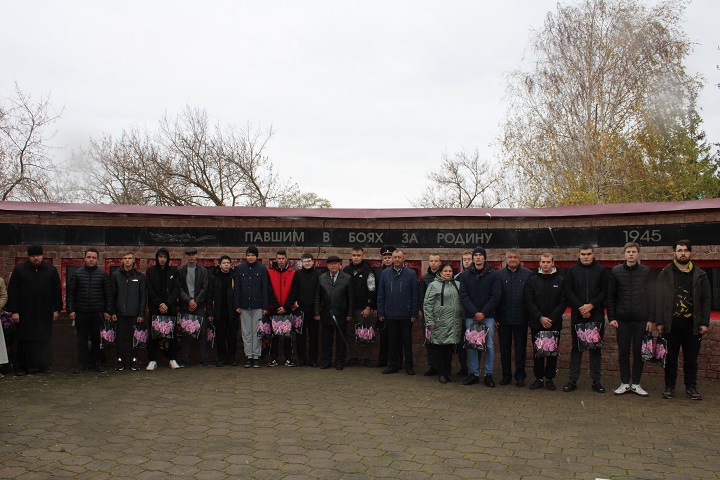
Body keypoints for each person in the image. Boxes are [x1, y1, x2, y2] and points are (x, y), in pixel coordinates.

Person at [656, 240, 711, 400]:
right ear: (674, 253)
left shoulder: (700, 274)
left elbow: (706, 299)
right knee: (670, 357)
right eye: (679, 250)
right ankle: (669, 386)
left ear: (690, 253)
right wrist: (659, 322)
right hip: (671, 322)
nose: (682, 253)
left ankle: (691, 387)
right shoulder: (665, 273)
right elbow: (658, 298)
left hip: (692, 323)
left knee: (691, 357)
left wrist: (704, 322)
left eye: (685, 251)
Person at [607, 242, 655, 396]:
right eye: (628, 251)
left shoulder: (646, 271)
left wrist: (651, 319)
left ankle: (636, 383)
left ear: (638, 254)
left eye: (634, 251)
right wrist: (612, 317)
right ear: (624, 254)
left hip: (641, 319)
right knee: (623, 352)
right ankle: (624, 383)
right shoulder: (616, 271)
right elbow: (611, 296)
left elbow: (652, 297)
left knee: (638, 352)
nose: (631, 254)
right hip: (622, 320)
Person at [6, 245, 62, 375]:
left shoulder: (50, 270)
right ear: (28, 256)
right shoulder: (19, 270)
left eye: (38, 255)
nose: (36, 258)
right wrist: (14, 311)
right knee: (24, 339)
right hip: (25, 312)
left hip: (44, 311)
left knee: (44, 339)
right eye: (33, 256)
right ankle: (22, 366)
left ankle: (44, 365)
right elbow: (13, 291)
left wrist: (56, 309)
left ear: (43, 256)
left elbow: (56, 291)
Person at [563, 244, 609, 393]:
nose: (586, 256)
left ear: (593, 254)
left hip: (596, 315)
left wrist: (591, 306)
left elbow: (604, 291)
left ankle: (596, 381)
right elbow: (568, 291)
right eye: (583, 254)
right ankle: (572, 380)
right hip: (578, 315)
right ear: (579, 255)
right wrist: (581, 307)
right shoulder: (572, 270)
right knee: (577, 348)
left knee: (595, 349)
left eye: (589, 254)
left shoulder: (601, 270)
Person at [458, 246, 500, 387]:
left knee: (489, 345)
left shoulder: (494, 274)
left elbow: (496, 296)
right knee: (472, 346)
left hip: (488, 316)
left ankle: (488, 374)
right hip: (471, 316)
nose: (478, 257)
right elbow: (463, 295)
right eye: (475, 255)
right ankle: (474, 373)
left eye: (480, 255)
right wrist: (475, 312)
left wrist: (484, 313)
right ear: (473, 258)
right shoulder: (465, 275)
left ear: (485, 257)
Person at [524, 253, 566, 391]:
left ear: (553, 263)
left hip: (554, 323)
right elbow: (529, 301)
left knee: (552, 352)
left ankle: (550, 378)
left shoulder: (560, 280)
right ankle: (539, 378)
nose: (546, 264)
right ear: (540, 263)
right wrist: (540, 317)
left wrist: (552, 318)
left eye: (548, 262)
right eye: (543, 262)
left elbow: (562, 302)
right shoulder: (532, 280)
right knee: (538, 352)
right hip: (537, 323)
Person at [67, 248, 112, 374]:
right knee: (82, 340)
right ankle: (82, 363)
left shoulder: (102, 274)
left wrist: (108, 310)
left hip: (97, 312)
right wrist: (70, 309)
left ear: (97, 259)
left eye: (93, 257)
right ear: (84, 258)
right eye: (89, 257)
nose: (91, 259)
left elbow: (108, 294)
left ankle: (97, 363)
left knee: (97, 340)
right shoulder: (77, 274)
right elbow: (71, 293)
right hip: (81, 312)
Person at [495, 249, 534, 387]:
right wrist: (496, 317)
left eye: (515, 257)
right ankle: (506, 376)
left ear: (519, 258)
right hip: (503, 318)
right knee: (504, 349)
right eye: (510, 257)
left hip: (521, 318)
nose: (512, 259)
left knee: (520, 349)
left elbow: (530, 297)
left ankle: (520, 376)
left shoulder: (528, 274)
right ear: (506, 259)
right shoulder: (499, 274)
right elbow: (496, 297)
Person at [377, 249, 418, 375]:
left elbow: (415, 295)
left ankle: (408, 365)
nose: (397, 259)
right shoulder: (385, 274)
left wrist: (414, 313)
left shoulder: (411, 274)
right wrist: (381, 312)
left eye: (399, 257)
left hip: (406, 314)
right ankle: (393, 365)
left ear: (403, 259)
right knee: (392, 341)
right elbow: (381, 294)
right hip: (390, 314)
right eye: (395, 257)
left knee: (407, 342)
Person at [423, 263, 463, 383]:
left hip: (454, 323)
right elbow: (427, 304)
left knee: (449, 349)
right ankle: (441, 373)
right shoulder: (433, 285)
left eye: (450, 271)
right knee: (439, 349)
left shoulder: (457, 285)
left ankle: (448, 372)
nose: (448, 273)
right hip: (439, 323)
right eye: (445, 271)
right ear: (440, 272)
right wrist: (429, 321)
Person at [315, 255, 354, 370]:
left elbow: (351, 298)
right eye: (331, 264)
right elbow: (317, 297)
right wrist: (317, 312)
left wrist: (350, 313)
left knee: (340, 340)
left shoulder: (347, 278)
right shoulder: (322, 278)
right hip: (326, 313)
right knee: (326, 339)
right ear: (327, 266)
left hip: (341, 313)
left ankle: (339, 361)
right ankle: (326, 361)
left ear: (339, 265)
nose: (333, 266)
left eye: (336, 264)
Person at [110, 252, 146, 372]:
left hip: (134, 313)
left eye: (129, 258)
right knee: (120, 339)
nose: (127, 261)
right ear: (122, 260)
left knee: (134, 339)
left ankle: (133, 361)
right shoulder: (116, 275)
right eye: (125, 258)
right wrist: (113, 312)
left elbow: (142, 297)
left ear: (133, 260)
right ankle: (120, 361)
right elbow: (112, 295)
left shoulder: (140, 276)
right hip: (119, 313)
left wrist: (141, 314)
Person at [145, 247, 180, 370]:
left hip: (169, 308)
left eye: (164, 257)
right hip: (156, 308)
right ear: (157, 258)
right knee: (154, 335)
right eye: (160, 257)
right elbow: (150, 289)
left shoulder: (174, 271)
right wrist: (160, 304)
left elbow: (176, 289)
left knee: (171, 335)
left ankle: (172, 359)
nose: (162, 259)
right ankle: (152, 360)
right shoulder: (150, 271)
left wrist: (167, 304)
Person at [235, 246, 269, 368]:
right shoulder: (240, 268)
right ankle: (249, 356)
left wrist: (265, 306)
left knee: (257, 332)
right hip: (244, 305)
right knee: (246, 332)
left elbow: (265, 288)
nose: (250, 257)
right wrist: (237, 304)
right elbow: (237, 288)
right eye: (248, 255)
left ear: (256, 256)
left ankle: (256, 356)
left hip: (258, 305)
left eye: (253, 255)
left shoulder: (262, 269)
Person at [343, 247, 376, 368]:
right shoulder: (346, 270)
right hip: (349, 309)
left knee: (365, 332)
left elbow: (372, 289)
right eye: (354, 255)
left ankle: (366, 358)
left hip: (363, 308)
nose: (356, 257)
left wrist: (368, 306)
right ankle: (353, 357)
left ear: (362, 256)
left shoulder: (369, 271)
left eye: (358, 255)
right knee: (350, 333)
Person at [178, 247, 210, 367]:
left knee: (202, 333)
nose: (191, 256)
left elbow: (205, 287)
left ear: (196, 255)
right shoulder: (181, 270)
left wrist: (196, 301)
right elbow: (179, 288)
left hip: (199, 306)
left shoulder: (203, 271)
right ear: (186, 256)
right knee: (185, 334)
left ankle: (203, 359)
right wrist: (189, 301)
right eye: (189, 254)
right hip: (186, 305)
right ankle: (184, 360)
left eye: (193, 254)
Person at [208, 255, 240, 367]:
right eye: (224, 263)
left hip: (232, 312)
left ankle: (231, 358)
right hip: (219, 311)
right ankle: (221, 358)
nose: (226, 264)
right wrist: (210, 312)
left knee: (232, 336)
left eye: (228, 263)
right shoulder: (214, 277)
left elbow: (238, 293)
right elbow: (210, 295)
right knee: (220, 336)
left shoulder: (234, 276)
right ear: (220, 264)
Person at [267, 250, 297, 367]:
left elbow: (294, 292)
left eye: (282, 258)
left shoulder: (292, 273)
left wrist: (285, 307)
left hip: (287, 308)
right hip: (274, 308)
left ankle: (288, 358)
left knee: (287, 336)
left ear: (286, 259)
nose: (280, 261)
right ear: (276, 259)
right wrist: (277, 306)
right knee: (273, 335)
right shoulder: (269, 272)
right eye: (278, 259)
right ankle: (273, 358)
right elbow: (269, 291)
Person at [294, 253, 320, 367]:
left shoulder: (318, 274)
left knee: (313, 336)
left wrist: (317, 311)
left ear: (313, 262)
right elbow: (294, 289)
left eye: (309, 261)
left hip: (313, 311)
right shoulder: (297, 274)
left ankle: (313, 359)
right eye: (305, 261)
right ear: (301, 263)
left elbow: (319, 294)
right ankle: (301, 359)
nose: (307, 263)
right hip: (300, 310)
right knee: (300, 336)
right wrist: (294, 301)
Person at [419, 253, 443, 376]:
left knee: (441, 343)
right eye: (431, 261)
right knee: (429, 342)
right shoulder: (424, 279)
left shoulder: (445, 277)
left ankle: (441, 367)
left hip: (442, 316)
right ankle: (432, 366)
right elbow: (421, 299)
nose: (433, 263)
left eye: (436, 261)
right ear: (429, 263)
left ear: (440, 263)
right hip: (428, 317)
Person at [374, 245, 396, 368]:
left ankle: (394, 361)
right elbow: (376, 291)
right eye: (385, 257)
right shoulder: (377, 272)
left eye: (390, 257)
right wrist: (377, 308)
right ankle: (382, 361)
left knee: (395, 338)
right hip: (382, 308)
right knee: (384, 337)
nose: (387, 259)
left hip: (394, 308)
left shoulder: (399, 271)